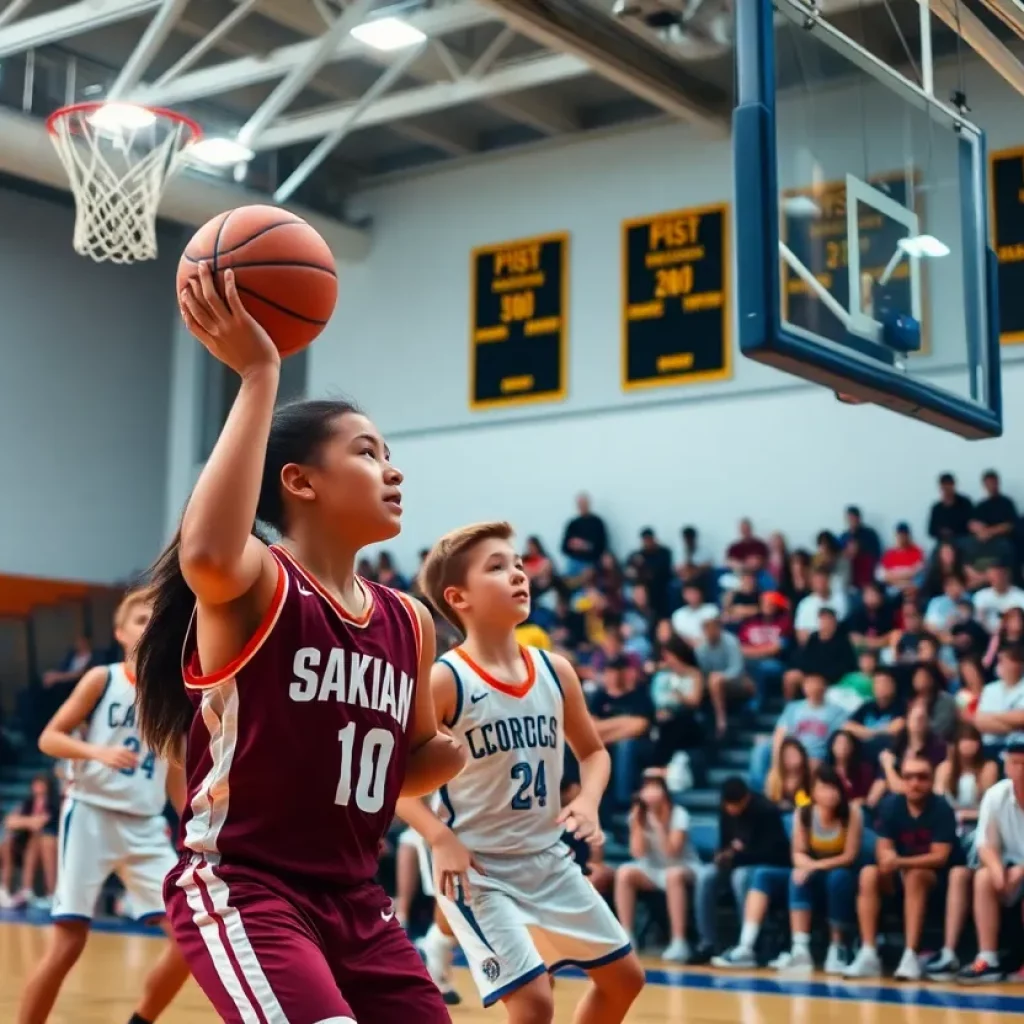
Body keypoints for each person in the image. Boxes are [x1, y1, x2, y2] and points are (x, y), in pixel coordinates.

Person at [135, 264, 464, 1023]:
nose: (393, 469)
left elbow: (413, 767)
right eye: (367, 452)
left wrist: (467, 733)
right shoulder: (257, 584)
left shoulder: (407, 621)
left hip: (357, 900)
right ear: (301, 482)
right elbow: (209, 552)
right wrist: (258, 375)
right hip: (248, 886)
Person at [399, 521, 645, 1022]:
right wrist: (438, 837)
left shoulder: (557, 671)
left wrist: (588, 800)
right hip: (479, 870)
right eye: (497, 567)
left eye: (517, 564)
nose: (518, 574)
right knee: (533, 1002)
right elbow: (394, 782)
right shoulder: (446, 679)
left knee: (625, 980)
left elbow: (595, 753)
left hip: (548, 860)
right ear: (458, 597)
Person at [16, 591, 191, 1024]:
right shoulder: (102, 678)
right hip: (92, 815)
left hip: (146, 828)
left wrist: (195, 824)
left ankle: (141, 1020)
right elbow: (49, 738)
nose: (149, 626)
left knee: (191, 938)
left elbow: (174, 774)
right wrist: (96, 753)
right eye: (139, 619)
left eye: (156, 619)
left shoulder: (172, 697)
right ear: (119, 632)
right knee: (69, 943)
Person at [845, 754, 957, 980]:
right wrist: (890, 861)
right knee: (868, 873)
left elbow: (939, 858)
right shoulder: (890, 805)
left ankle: (911, 955)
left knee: (915, 875)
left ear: (932, 779)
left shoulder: (942, 808)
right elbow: (882, 850)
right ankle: (868, 953)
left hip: (935, 883)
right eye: (909, 777)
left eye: (922, 777)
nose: (914, 782)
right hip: (897, 878)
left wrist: (900, 862)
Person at [614, 773, 704, 963]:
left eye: (655, 787)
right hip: (652, 869)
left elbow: (672, 851)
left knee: (672, 876)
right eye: (646, 788)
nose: (650, 792)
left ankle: (679, 941)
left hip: (682, 866)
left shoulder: (679, 814)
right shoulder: (637, 815)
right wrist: (639, 822)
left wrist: (657, 822)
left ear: (664, 792)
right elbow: (637, 852)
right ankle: (627, 936)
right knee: (624, 873)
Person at [956, 738, 1024, 983]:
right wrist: (997, 871)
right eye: (1015, 763)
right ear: (1006, 767)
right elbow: (985, 844)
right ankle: (987, 959)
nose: (1020, 769)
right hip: (1009, 865)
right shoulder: (996, 795)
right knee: (984, 877)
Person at [0, 772, 60, 909]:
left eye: (41, 784)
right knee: (7, 842)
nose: (37, 787)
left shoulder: (54, 805)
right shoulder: (27, 803)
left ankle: (41, 892)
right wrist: (29, 822)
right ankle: (4, 890)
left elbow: (40, 824)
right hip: (23, 843)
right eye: (36, 783)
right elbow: (9, 821)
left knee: (38, 839)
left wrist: (22, 822)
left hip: (49, 846)